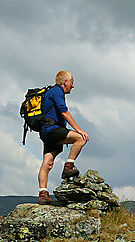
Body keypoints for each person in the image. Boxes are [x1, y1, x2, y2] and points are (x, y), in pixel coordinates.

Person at [37, 70, 90, 204]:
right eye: (72, 82)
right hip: (52, 129)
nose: (73, 86)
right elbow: (64, 112)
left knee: (47, 162)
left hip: (45, 131)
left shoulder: (51, 92)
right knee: (80, 138)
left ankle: (42, 193)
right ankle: (68, 167)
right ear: (65, 82)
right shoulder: (57, 91)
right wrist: (79, 130)